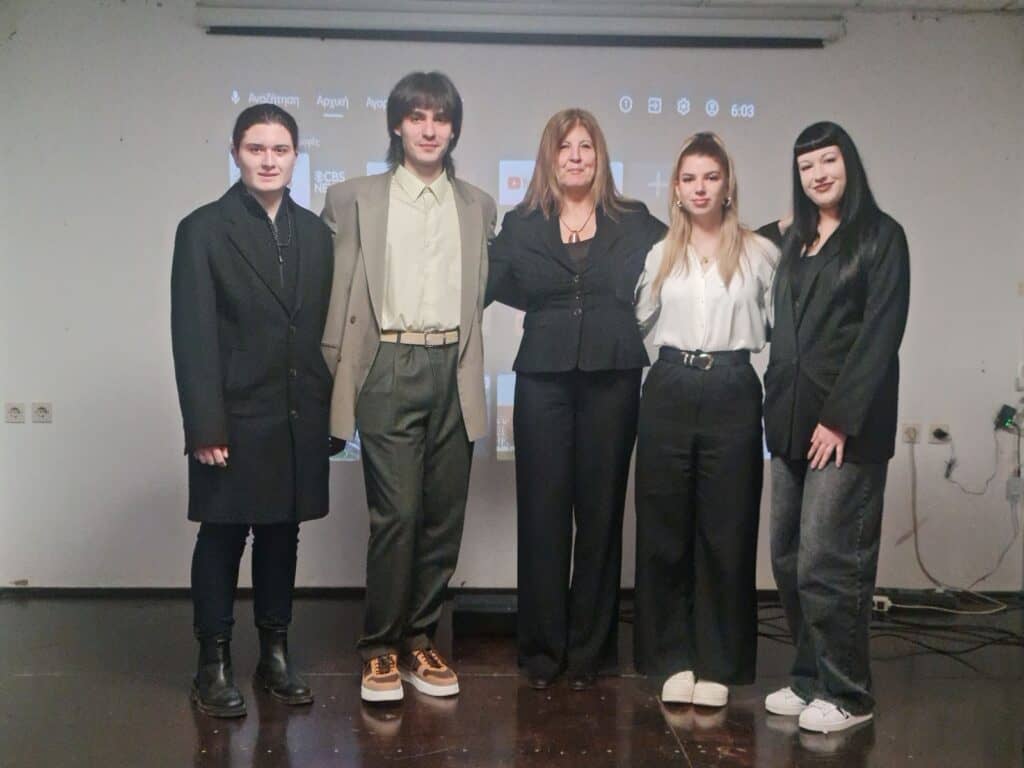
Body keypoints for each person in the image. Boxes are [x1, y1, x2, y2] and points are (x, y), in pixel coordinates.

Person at [320, 71, 496, 704]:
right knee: (397, 514)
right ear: (396, 124)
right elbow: (330, 290)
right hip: (387, 363)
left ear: (454, 129)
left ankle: (421, 640)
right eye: (417, 116)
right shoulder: (351, 198)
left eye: (440, 118)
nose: (429, 129)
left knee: (443, 515)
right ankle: (379, 647)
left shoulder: (479, 205)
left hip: (454, 366)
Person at [487, 108, 666, 690]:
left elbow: (696, 249)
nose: (576, 156)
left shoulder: (635, 221)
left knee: (601, 515)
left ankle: (590, 653)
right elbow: (481, 283)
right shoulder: (521, 224)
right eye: (565, 147)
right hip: (542, 380)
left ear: (600, 155)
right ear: (549, 156)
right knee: (542, 516)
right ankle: (542, 653)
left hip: (613, 379)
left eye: (586, 146)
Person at [171, 104, 334, 718]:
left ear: (296, 156)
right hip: (233, 416)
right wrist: (204, 425)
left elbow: (321, 334)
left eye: (280, 149)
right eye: (256, 149)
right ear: (236, 154)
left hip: (296, 412)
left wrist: (329, 413)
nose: (268, 160)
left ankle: (274, 656)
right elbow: (192, 335)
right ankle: (211, 664)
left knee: (281, 534)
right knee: (222, 535)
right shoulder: (203, 229)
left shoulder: (316, 234)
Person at [758, 121, 910, 733]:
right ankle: (809, 679)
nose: (818, 174)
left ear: (849, 162)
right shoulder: (795, 240)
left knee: (830, 560)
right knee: (788, 558)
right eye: (806, 166)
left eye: (828, 160)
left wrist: (840, 420)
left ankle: (848, 694)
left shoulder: (881, 236)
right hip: (789, 419)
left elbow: (880, 335)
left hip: (846, 430)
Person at [632, 132, 778, 708]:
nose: (700, 188)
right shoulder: (660, 253)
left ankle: (719, 662)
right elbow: (640, 322)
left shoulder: (760, 253)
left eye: (710, 177)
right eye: (689, 178)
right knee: (664, 527)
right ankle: (671, 658)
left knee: (727, 528)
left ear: (727, 185)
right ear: (676, 187)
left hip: (732, 386)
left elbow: (777, 325)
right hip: (669, 385)